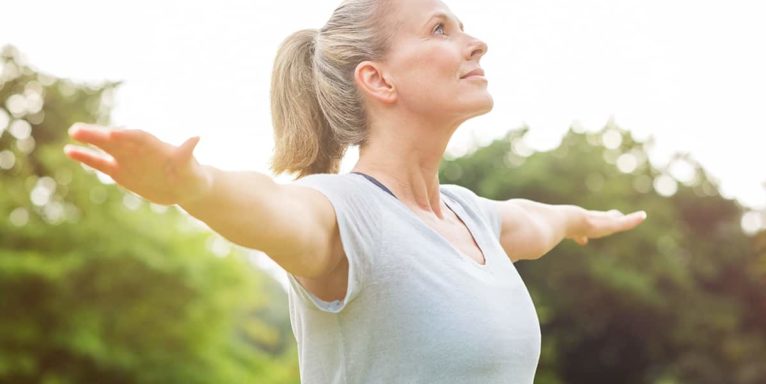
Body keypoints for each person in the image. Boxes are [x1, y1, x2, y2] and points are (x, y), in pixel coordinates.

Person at [63, 0, 647, 382]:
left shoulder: (475, 218)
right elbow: (270, 207)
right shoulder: (345, 214)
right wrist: (196, 185)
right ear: (377, 79)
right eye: (441, 28)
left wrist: (591, 220)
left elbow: (544, 220)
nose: (476, 43)